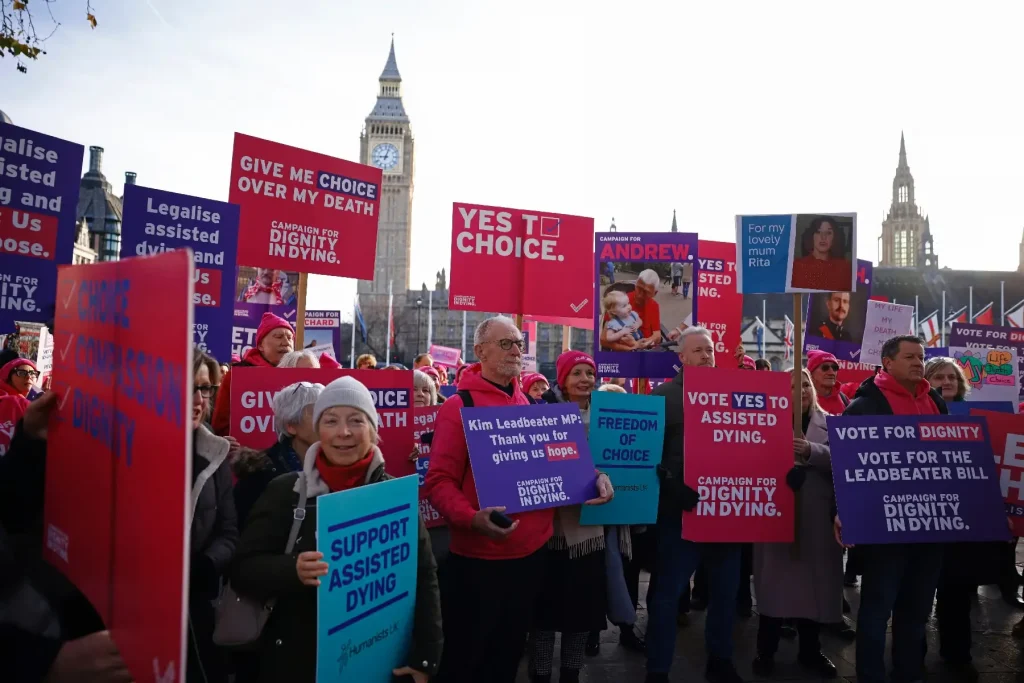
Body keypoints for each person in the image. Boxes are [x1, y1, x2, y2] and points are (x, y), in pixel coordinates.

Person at [424, 316, 613, 683]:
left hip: (532, 558)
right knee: (467, 657)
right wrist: (471, 518)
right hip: (480, 560)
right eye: (506, 343)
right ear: (480, 351)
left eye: (519, 344)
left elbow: (564, 465)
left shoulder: (530, 404)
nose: (516, 350)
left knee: (508, 655)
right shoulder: (459, 406)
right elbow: (438, 482)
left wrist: (597, 479)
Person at [231, 376, 443, 682]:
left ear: (373, 429)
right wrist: (292, 569)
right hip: (299, 662)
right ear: (318, 431)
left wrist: (425, 658)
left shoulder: (395, 495)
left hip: (378, 659)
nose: (343, 432)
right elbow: (242, 568)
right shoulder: (286, 491)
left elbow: (424, 576)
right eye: (331, 421)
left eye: (356, 420)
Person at [837, 335, 947, 683]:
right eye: (910, 356)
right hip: (885, 528)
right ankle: (870, 674)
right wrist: (844, 512)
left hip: (930, 525)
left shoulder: (936, 403)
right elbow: (845, 466)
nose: (918, 362)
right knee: (876, 608)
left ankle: (909, 670)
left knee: (916, 609)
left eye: (922, 356)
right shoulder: (864, 406)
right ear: (887, 362)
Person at [646, 326, 743, 683]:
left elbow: (752, 447)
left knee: (724, 595)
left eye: (710, 350)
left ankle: (721, 660)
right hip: (679, 518)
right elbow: (649, 458)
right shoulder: (663, 397)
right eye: (699, 350)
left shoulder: (735, 393)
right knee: (667, 598)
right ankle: (657, 669)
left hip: (726, 515)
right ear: (681, 357)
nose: (707, 355)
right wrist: (673, 487)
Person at [531, 351, 625, 682]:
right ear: (563, 379)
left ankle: (571, 673)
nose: (585, 379)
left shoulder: (609, 416)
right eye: (577, 373)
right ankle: (540, 673)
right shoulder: (543, 415)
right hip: (551, 529)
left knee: (581, 612)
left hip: (590, 531)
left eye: (590, 372)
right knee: (544, 614)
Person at [752, 369, 841, 678]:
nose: (801, 389)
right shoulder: (764, 420)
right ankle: (766, 650)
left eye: (804, 384)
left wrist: (811, 451)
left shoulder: (829, 422)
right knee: (774, 587)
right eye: (793, 385)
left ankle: (811, 650)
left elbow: (846, 459)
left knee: (814, 587)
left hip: (817, 519)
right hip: (777, 515)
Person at [188, 349, 239, 683]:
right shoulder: (118, 448)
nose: (197, 400)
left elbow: (230, 533)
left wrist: (206, 564)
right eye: (187, 387)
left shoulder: (215, 453)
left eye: (204, 389)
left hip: (195, 613)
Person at [232, 381, 323, 529]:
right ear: (291, 426)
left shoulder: (340, 465)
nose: (327, 421)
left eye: (328, 413)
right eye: (317, 414)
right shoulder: (259, 476)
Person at [212, 313, 295, 436]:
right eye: (278, 337)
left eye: (290, 338)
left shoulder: (300, 374)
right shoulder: (236, 375)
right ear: (261, 345)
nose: (286, 342)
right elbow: (221, 424)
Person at [601, 270, 662, 352]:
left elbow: (657, 335)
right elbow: (603, 340)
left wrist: (645, 343)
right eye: (638, 288)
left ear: (655, 293)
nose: (639, 295)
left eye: (646, 292)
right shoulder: (619, 303)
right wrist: (633, 347)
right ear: (636, 283)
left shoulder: (654, 306)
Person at [790, 217, 854, 291]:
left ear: (835, 237)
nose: (823, 237)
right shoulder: (796, 266)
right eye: (818, 232)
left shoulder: (845, 268)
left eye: (828, 233)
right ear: (811, 236)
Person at [0, 357, 39, 456]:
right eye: (22, 373)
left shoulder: (31, 401)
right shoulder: (18, 403)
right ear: (7, 378)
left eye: (33, 373)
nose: (28, 377)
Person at [807, 350, 848, 416]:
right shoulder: (804, 400)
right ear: (811, 374)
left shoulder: (843, 399)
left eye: (835, 368)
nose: (831, 372)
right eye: (825, 368)